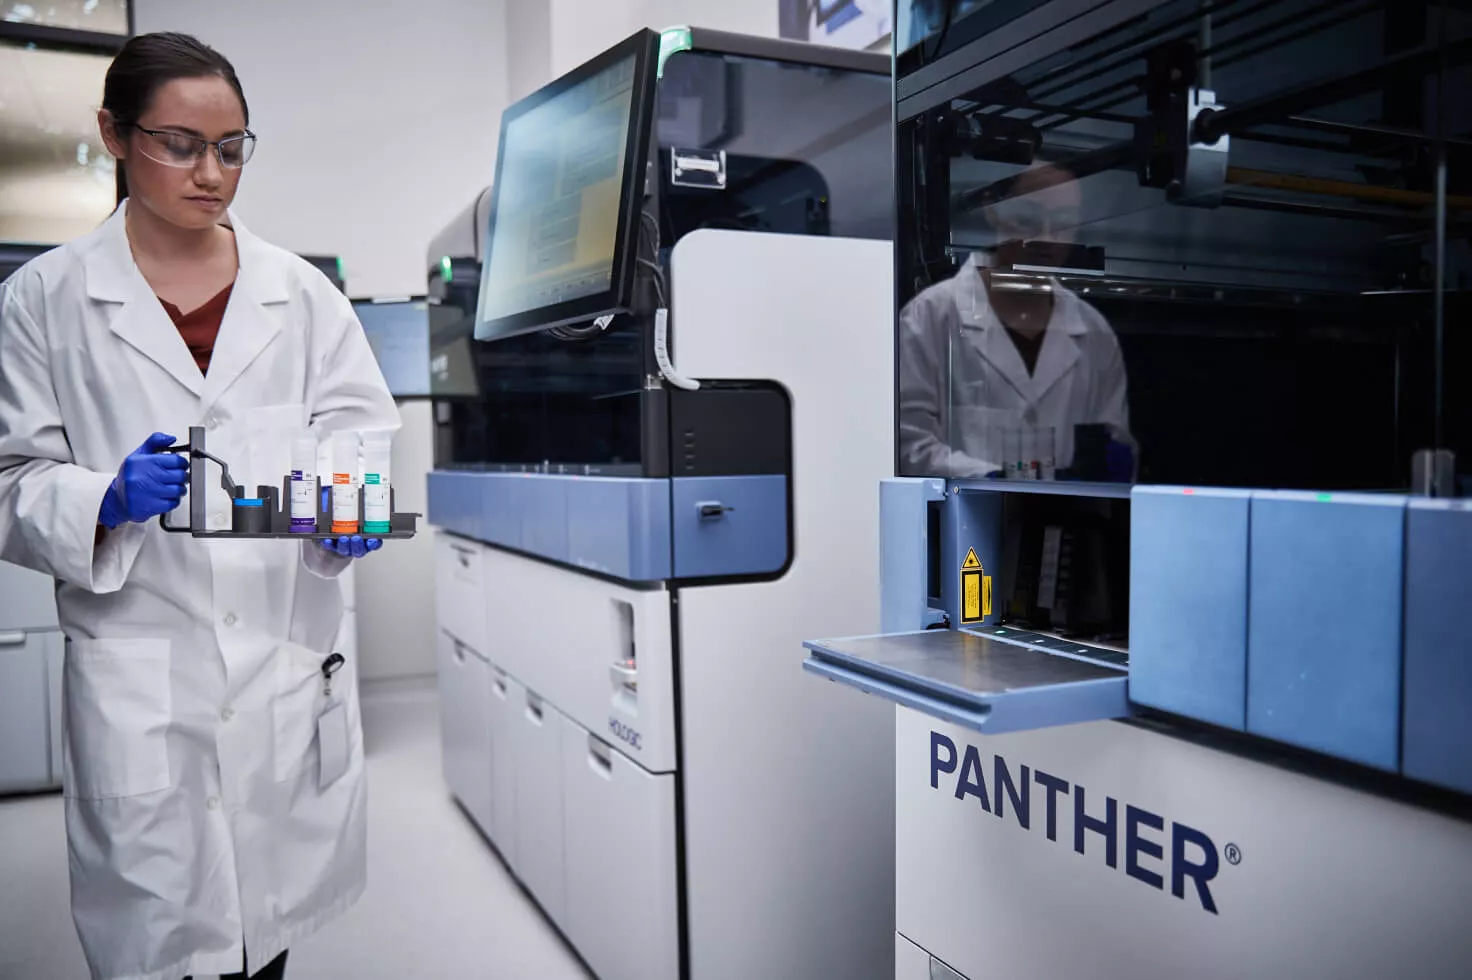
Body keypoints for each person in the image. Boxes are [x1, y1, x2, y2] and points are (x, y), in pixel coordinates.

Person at [0, 33, 398, 980]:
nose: (211, 172)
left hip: (279, 665)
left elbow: (359, 440)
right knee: (157, 938)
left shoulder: (303, 297)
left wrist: (351, 510)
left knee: (264, 938)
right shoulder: (44, 300)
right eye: (179, 144)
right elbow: (11, 478)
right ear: (113, 133)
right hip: (141, 678)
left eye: (232, 148)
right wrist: (102, 497)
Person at [898, 160, 1134, 481]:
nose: (1047, 239)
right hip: (962, 523)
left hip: (1066, 526)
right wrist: (995, 481)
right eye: (1029, 219)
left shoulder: (1093, 331)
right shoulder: (931, 315)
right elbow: (907, 446)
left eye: (1063, 224)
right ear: (994, 213)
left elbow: (1115, 442)